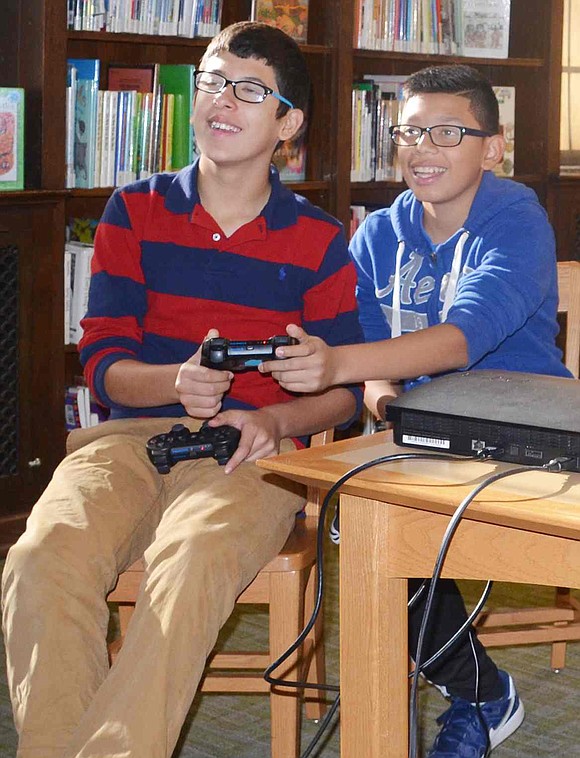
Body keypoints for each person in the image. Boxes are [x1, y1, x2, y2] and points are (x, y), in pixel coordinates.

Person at [1, 22, 363, 758]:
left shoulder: (322, 240)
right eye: (211, 81)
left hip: (250, 455)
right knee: (42, 558)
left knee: (192, 563)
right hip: (129, 442)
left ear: (287, 123)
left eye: (250, 89)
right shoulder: (133, 211)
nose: (222, 100)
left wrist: (276, 417)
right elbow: (102, 365)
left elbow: (344, 390)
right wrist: (178, 381)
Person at [260, 63, 573, 758]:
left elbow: (465, 336)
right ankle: (482, 695)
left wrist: (339, 366)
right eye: (409, 132)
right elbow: (372, 354)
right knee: (360, 517)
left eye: (447, 132)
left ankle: (475, 695)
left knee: (411, 520)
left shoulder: (517, 218)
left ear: (492, 147)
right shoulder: (375, 237)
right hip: (426, 432)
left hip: (528, 432)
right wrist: (380, 400)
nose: (422, 148)